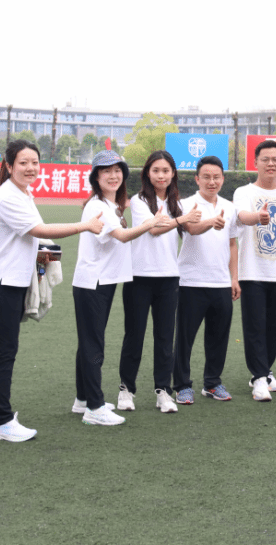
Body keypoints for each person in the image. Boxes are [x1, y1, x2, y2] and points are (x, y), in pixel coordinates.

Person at [0, 140, 103, 442]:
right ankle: (1, 421)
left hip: (6, 281)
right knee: (3, 350)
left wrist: (46, 262)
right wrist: (84, 226)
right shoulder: (8, 197)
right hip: (0, 284)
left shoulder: (22, 193)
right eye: (23, 163)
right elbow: (39, 230)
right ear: (9, 166)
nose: (30, 168)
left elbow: (33, 238)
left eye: (34, 162)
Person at [72, 151, 173, 426]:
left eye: (118, 171)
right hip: (93, 282)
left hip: (102, 282)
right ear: (96, 177)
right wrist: (151, 222)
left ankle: (83, 399)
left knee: (89, 342)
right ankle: (94, 407)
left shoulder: (110, 205)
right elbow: (122, 236)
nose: (113, 176)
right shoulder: (98, 206)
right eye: (106, 171)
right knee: (93, 345)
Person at [119, 150, 196, 414]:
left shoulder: (177, 204)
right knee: (134, 336)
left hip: (169, 279)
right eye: (156, 171)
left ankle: (163, 392)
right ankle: (126, 390)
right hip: (139, 278)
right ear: (147, 174)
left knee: (165, 339)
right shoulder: (139, 200)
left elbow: (192, 229)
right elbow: (153, 230)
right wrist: (181, 220)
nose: (161, 175)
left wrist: (210, 222)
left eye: (165, 171)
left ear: (173, 174)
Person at [173, 155, 241, 404]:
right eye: (206, 177)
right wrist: (211, 222)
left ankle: (212, 383)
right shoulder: (185, 205)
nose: (212, 182)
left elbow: (232, 244)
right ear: (197, 179)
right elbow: (190, 230)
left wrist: (235, 278)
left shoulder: (229, 207)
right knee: (185, 338)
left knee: (218, 337)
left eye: (216, 177)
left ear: (222, 179)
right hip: (190, 282)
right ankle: (182, 386)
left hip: (221, 282)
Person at [234, 140, 276, 402]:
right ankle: (259, 378)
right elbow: (242, 217)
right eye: (265, 159)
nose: (270, 164)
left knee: (273, 326)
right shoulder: (244, 192)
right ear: (256, 162)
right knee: (254, 326)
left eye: (275, 159)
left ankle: (264, 372)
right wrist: (257, 218)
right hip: (252, 272)